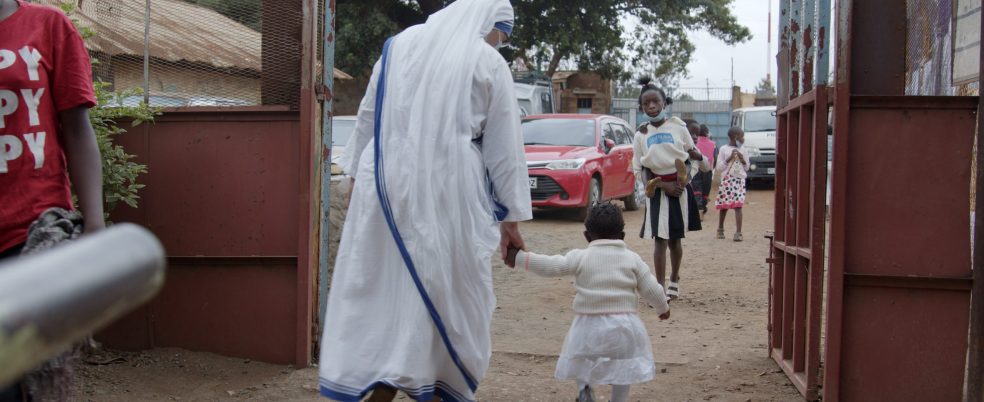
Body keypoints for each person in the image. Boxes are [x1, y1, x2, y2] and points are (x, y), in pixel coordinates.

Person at [317, 1, 532, 401]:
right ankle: (435, 382)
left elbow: (367, 117)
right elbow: (505, 147)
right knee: (443, 290)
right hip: (447, 189)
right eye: (500, 36)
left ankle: (388, 379)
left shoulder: (398, 46)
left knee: (388, 289)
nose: (497, 44)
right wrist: (511, 220)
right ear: (488, 23)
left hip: (383, 183)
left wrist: (353, 178)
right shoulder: (486, 62)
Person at [0, 0, 105, 400]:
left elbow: (77, 130)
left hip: (33, 234)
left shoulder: (48, 26)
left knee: (19, 380)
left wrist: (94, 229)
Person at [505, 203, 670, 402]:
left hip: (588, 325)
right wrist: (662, 308)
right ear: (622, 235)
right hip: (624, 326)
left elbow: (551, 266)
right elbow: (651, 289)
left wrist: (520, 257)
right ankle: (618, 399)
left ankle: (585, 390)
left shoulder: (581, 257)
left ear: (587, 236)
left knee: (583, 359)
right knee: (623, 366)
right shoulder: (632, 259)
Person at [632, 77, 709, 300]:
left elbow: (697, 160)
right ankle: (659, 288)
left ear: (664, 103)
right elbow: (638, 168)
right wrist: (660, 185)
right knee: (660, 239)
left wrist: (685, 179)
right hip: (656, 189)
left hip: (679, 187)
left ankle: (674, 279)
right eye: (646, 104)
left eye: (655, 102)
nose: (652, 107)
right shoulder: (641, 134)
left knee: (675, 239)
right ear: (641, 107)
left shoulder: (679, 127)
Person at [715, 127, 749, 242]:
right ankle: (720, 229)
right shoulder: (724, 149)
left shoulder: (743, 149)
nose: (743, 139)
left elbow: (747, 167)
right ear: (735, 137)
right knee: (724, 206)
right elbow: (719, 167)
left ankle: (738, 232)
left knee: (738, 206)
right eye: (741, 136)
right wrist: (729, 158)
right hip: (727, 180)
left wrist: (742, 159)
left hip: (739, 181)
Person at [695, 124, 716, 217]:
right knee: (705, 190)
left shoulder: (694, 142)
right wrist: (712, 168)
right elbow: (715, 157)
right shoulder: (713, 144)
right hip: (708, 170)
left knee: (697, 188)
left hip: (696, 169)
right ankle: (703, 207)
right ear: (707, 132)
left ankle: (698, 208)